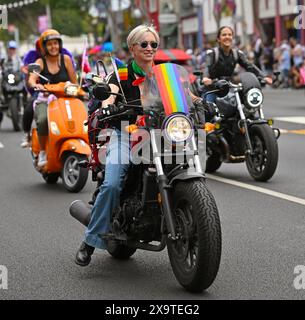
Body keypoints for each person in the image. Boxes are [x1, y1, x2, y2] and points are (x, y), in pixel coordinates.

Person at [27, 29, 77, 167]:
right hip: (45, 100)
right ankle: (43, 151)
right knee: (43, 120)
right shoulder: (40, 61)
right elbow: (32, 78)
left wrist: (82, 91)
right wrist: (35, 85)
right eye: (49, 44)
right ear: (44, 47)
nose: (53, 47)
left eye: (55, 43)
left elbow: (74, 82)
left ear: (59, 44)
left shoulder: (66, 60)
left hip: (65, 99)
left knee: (80, 116)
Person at [202, 26, 273, 102]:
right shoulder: (213, 53)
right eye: (224, 35)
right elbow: (207, 66)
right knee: (209, 108)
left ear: (232, 37)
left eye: (229, 35)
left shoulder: (237, 53)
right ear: (218, 39)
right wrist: (205, 77)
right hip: (214, 88)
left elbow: (249, 65)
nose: (227, 37)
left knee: (247, 105)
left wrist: (263, 77)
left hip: (230, 87)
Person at [0, 40, 25, 127]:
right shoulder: (3, 60)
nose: (12, 50)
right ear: (8, 49)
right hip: (7, 82)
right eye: (10, 48)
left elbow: (23, 69)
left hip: (18, 81)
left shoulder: (20, 59)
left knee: (26, 85)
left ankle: (26, 100)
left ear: (15, 49)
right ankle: (2, 98)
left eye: (13, 48)